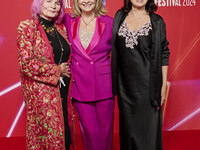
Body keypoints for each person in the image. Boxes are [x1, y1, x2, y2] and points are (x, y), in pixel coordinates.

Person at [111, 0, 170, 149]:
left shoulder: (157, 21)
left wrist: (163, 86)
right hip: (124, 88)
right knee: (128, 134)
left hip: (148, 88)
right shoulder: (120, 16)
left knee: (147, 135)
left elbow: (164, 52)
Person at [16, 0, 74, 149]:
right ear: (39, 4)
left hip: (63, 92)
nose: (53, 6)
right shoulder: (28, 28)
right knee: (47, 140)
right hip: (42, 99)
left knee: (65, 137)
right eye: (48, 1)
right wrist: (57, 70)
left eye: (57, 3)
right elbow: (26, 64)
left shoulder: (60, 28)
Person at [64, 0, 114, 150]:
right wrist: (29, 24)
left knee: (105, 134)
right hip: (79, 85)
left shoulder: (110, 22)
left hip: (104, 85)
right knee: (90, 133)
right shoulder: (67, 20)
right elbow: (45, 16)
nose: (86, 1)